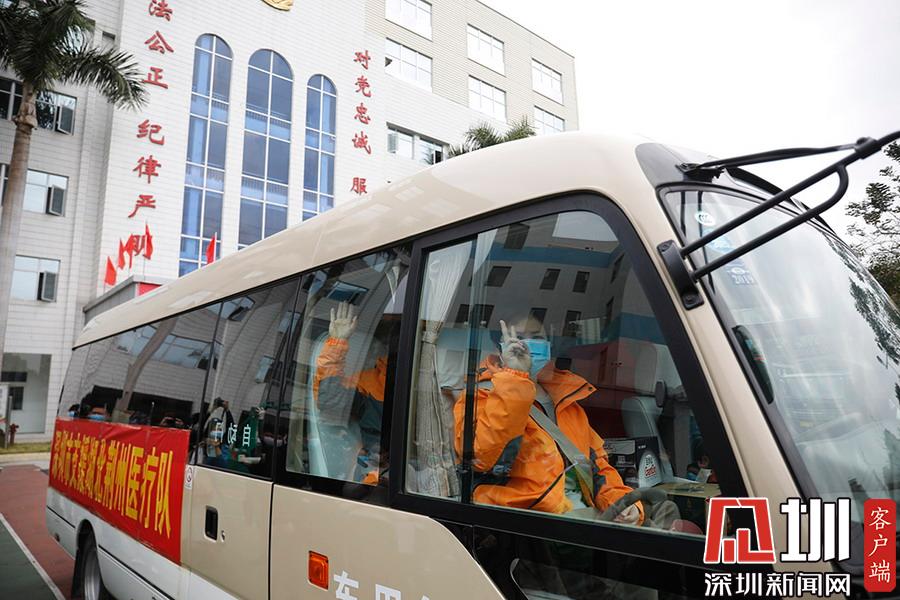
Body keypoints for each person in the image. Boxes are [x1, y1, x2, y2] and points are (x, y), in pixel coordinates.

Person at [453, 315, 644, 524]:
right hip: (529, 520)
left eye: (536, 337)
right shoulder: (480, 396)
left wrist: (622, 503)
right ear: (500, 348)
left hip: (581, 514)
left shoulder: (566, 399)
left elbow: (596, 466)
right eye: (519, 337)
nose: (527, 344)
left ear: (548, 344)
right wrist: (515, 377)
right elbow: (483, 458)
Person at [313, 302, 389, 485]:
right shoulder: (371, 383)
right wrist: (337, 343)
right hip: (381, 475)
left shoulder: (435, 385)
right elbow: (329, 400)